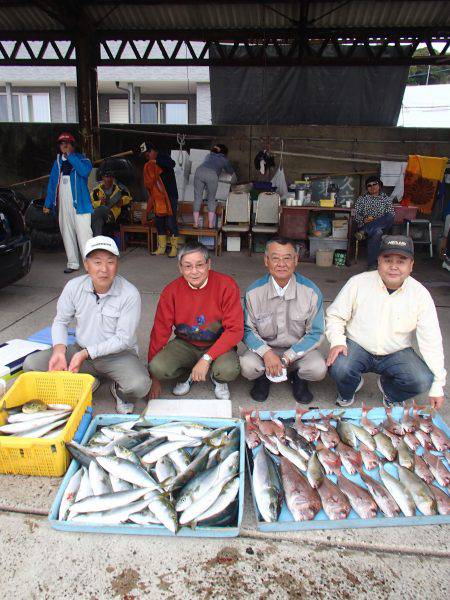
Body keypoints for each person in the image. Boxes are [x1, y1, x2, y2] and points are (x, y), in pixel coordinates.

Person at [23, 236, 151, 414]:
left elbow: (123, 339)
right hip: (79, 349)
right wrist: (59, 350)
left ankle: (119, 390)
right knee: (31, 365)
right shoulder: (73, 286)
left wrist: (86, 353)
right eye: (97, 262)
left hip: (118, 355)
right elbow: (60, 321)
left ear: (117, 264)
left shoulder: (129, 293)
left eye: (110, 262)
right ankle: (90, 378)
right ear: (86, 265)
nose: (104, 269)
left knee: (140, 386)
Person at [326, 235, 446, 410]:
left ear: (411, 265)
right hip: (358, 347)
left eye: (401, 261)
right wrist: (337, 341)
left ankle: (390, 391)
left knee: (422, 380)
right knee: (338, 366)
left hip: (397, 352)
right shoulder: (358, 283)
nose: (394, 266)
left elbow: (431, 340)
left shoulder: (420, 294)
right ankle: (349, 388)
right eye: (387, 260)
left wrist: (438, 385)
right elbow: (335, 315)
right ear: (378, 261)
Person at [148, 242, 243, 400]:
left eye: (200, 265)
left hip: (218, 342)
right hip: (185, 343)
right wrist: (154, 378)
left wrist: (206, 359)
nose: (194, 272)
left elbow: (235, 330)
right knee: (158, 367)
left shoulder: (227, 285)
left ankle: (217, 378)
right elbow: (159, 331)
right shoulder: (171, 291)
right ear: (180, 268)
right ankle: (188, 373)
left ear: (208, 264)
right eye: (188, 266)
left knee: (228, 369)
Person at [240, 237, 327, 404]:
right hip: (265, 352)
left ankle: (298, 378)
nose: (281, 264)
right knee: (247, 365)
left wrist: (288, 357)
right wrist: (266, 353)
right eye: (275, 258)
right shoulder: (254, 292)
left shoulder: (311, 292)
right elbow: (247, 329)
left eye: (287, 258)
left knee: (318, 368)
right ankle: (262, 378)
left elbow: (316, 333)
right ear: (266, 260)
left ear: (296, 260)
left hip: (297, 352)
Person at [44, 132, 93, 273]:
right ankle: (72, 263)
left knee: (84, 234)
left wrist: (70, 156)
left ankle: (89, 264)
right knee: (66, 232)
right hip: (64, 204)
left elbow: (84, 172)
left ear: (72, 145)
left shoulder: (83, 160)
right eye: (62, 143)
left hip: (81, 204)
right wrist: (48, 204)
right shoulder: (57, 162)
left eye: (67, 143)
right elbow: (52, 184)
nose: (64, 145)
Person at [140, 141, 179, 258]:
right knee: (159, 222)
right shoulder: (149, 166)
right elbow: (150, 185)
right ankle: (161, 248)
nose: (147, 159)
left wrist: (155, 161)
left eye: (147, 155)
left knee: (171, 222)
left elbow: (172, 164)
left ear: (152, 151)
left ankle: (174, 248)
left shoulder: (163, 158)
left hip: (170, 196)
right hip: (158, 199)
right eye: (145, 157)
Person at [354, 176, 395, 268]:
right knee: (377, 232)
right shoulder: (362, 199)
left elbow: (391, 215)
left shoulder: (386, 199)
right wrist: (363, 219)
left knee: (390, 216)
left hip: (382, 225)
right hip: (366, 223)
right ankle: (372, 264)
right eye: (369, 185)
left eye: (374, 184)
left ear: (379, 185)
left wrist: (378, 220)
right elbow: (356, 214)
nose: (372, 187)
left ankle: (365, 231)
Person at [193, 144, 234, 229]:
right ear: (225, 153)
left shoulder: (208, 155)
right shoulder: (224, 160)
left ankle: (195, 223)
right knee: (211, 198)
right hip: (212, 175)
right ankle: (210, 224)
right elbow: (230, 171)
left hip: (199, 171)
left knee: (197, 197)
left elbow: (210, 162)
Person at [90, 167, 132, 236]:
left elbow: (129, 197)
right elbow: (90, 204)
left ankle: (90, 221)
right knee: (98, 221)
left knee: (101, 209)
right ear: (103, 178)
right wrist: (99, 203)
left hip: (112, 216)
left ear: (113, 178)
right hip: (100, 215)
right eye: (107, 177)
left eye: (111, 177)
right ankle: (98, 241)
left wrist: (122, 201)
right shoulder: (96, 191)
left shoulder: (119, 190)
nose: (109, 179)